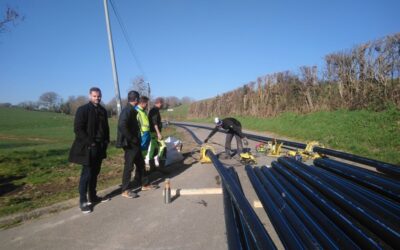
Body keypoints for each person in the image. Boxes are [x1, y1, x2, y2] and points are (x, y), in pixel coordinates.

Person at [69, 87, 110, 213]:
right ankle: (83, 201)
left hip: (100, 146)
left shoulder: (103, 110)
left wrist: (106, 141)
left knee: (95, 173)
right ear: (89, 96)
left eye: (98, 96)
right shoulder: (83, 110)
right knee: (86, 175)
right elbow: (78, 129)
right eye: (94, 96)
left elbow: (105, 128)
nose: (97, 98)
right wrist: (90, 142)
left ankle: (93, 196)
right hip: (88, 147)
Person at [117, 92, 157, 195]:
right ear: (135, 99)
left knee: (140, 163)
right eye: (138, 98)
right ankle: (125, 190)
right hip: (130, 144)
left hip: (135, 143)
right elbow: (121, 125)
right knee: (129, 166)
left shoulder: (131, 110)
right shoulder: (127, 110)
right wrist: (131, 138)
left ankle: (144, 184)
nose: (139, 100)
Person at [148, 97, 166, 166]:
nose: (162, 106)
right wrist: (158, 133)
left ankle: (153, 164)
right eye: (162, 104)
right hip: (154, 133)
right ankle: (159, 164)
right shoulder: (155, 110)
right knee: (161, 146)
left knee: (155, 148)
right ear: (159, 103)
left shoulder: (155, 110)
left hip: (154, 132)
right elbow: (154, 123)